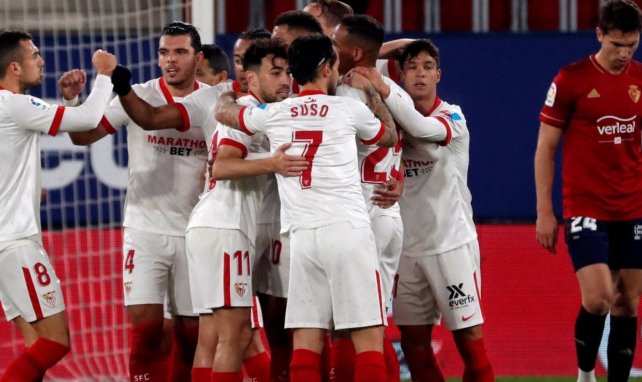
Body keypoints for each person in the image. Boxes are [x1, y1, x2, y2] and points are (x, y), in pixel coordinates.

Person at [215, 34, 397, 382]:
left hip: (302, 240)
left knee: (306, 340)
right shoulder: (348, 108)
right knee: (368, 336)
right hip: (347, 231)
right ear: (327, 67)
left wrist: (226, 91)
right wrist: (372, 92)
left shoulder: (274, 113)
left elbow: (225, 113)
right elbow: (387, 135)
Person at [69, 21, 207, 382]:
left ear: (198, 57)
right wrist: (72, 102)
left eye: (180, 52)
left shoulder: (210, 101)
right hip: (144, 230)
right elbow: (84, 136)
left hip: (197, 234)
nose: (170, 60)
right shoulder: (139, 94)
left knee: (192, 339)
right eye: (164, 52)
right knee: (147, 332)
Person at [185, 38, 306, 382]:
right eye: (275, 72)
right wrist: (275, 163)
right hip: (225, 227)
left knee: (211, 334)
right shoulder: (243, 114)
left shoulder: (257, 113)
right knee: (235, 335)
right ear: (251, 79)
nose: (285, 81)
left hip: (212, 227)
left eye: (288, 73)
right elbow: (222, 167)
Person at [374, 39, 494, 381]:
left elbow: (422, 129)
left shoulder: (452, 115)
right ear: (401, 74)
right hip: (406, 251)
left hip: (450, 245)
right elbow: (363, 54)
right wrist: (402, 45)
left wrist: (383, 85)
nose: (420, 74)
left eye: (427, 67)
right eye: (411, 67)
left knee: (469, 341)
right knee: (413, 344)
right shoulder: (392, 117)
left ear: (438, 74)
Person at [0, 30, 116, 381]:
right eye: (34, 55)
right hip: (17, 243)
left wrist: (70, 99)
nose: (41, 60)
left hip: (6, 243)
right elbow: (88, 121)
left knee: (36, 342)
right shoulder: (13, 104)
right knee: (55, 342)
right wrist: (105, 74)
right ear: (15, 67)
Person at [535, 1, 642, 381]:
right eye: (617, 44)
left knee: (627, 303)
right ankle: (584, 375)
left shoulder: (640, 81)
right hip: (586, 207)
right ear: (599, 35)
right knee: (598, 299)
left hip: (633, 207)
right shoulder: (571, 80)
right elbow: (546, 148)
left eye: (631, 44)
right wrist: (545, 212)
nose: (624, 53)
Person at [331, 14, 407, 381]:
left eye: (335, 42)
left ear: (355, 52)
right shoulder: (388, 87)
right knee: (369, 322)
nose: (330, 47)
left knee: (359, 326)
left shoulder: (345, 93)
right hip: (382, 210)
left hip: (366, 211)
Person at [233, 29, 272, 94]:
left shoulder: (289, 100)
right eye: (237, 60)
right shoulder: (221, 95)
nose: (242, 68)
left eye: (250, 60)